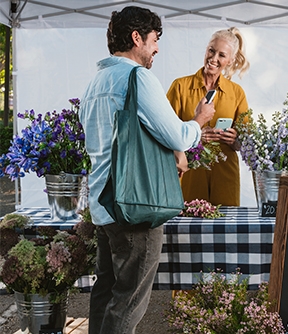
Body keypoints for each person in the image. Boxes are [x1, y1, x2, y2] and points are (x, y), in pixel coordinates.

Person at [80, 6, 214, 333]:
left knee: (105, 293)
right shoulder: (137, 78)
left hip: (103, 204)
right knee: (129, 299)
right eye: (154, 40)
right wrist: (199, 120)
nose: (156, 48)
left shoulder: (95, 82)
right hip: (135, 206)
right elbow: (175, 134)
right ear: (136, 37)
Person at [167, 27, 250, 206]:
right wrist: (196, 135)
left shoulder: (237, 93)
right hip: (190, 175)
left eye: (221, 55)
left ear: (230, 60)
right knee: (187, 228)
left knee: (226, 229)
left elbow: (245, 143)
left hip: (225, 175)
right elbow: (166, 132)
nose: (213, 59)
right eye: (211, 51)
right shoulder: (180, 87)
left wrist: (235, 138)